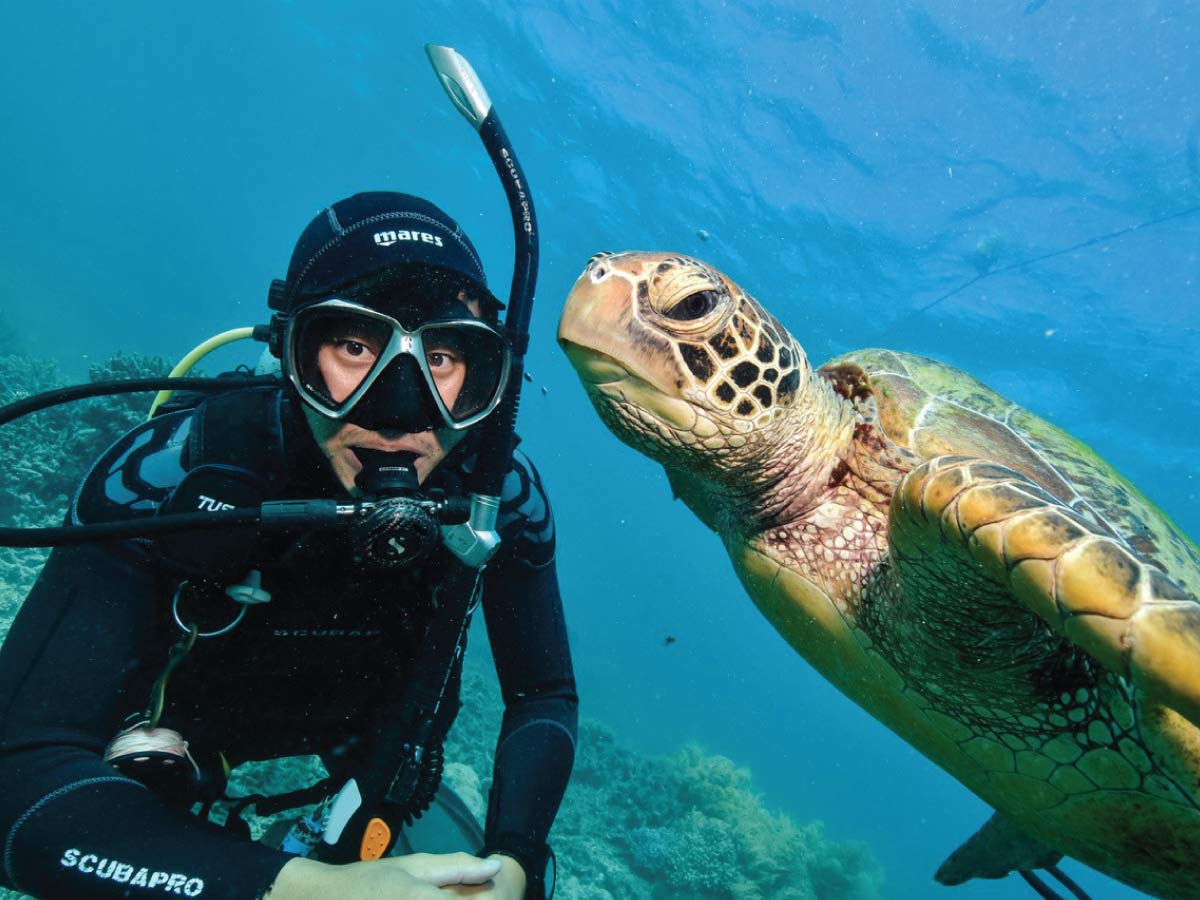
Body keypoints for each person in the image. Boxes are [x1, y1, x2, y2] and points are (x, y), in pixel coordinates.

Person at [0, 192, 578, 900]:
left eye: (447, 356)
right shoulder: (169, 474)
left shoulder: (498, 497)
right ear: (291, 349)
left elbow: (541, 692)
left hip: (368, 761)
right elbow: (16, 772)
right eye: (355, 347)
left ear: (488, 376)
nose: (399, 413)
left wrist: (517, 861)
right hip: (175, 746)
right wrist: (303, 890)